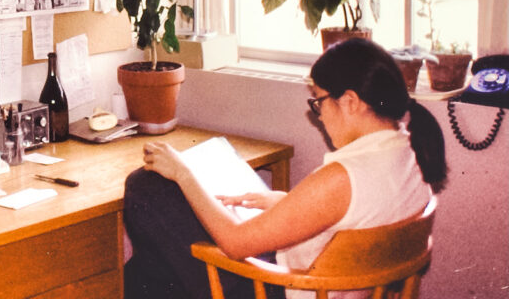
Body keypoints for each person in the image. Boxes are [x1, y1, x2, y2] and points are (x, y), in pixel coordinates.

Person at [123, 38, 448, 299]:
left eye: (318, 101)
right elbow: (360, 213)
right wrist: (285, 203)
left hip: (289, 287)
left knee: (146, 187)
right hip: (336, 283)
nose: (318, 114)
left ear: (350, 101)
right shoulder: (409, 151)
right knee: (150, 270)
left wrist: (183, 172)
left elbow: (235, 244)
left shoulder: (342, 178)